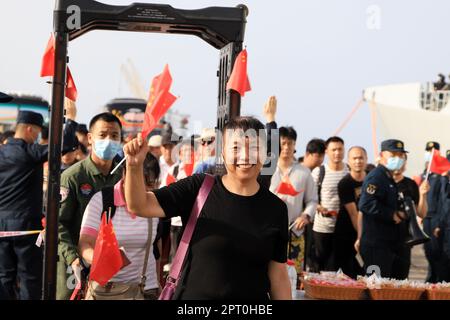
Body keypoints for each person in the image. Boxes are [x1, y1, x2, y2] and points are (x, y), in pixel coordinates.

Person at [124, 116, 291, 300]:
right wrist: (133, 166)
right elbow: (139, 205)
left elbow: (279, 276)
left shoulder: (276, 209)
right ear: (222, 153)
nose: (245, 156)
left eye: (254, 148)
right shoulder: (199, 188)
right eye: (235, 148)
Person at [0, 106, 78, 300]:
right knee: (30, 278)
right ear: (29, 129)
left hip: (1, 226)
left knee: (4, 277)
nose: (37, 136)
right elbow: (66, 145)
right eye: (37, 131)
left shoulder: (1, 153)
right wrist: (71, 120)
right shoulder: (29, 152)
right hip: (26, 227)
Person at [57, 112, 123, 300]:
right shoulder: (72, 177)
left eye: (114, 136)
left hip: (115, 265)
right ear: (90, 138)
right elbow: (58, 223)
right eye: (103, 135)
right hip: (75, 266)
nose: (109, 140)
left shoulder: (125, 177)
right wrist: (73, 258)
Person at [79, 153, 161, 299]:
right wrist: (102, 258)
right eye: (144, 183)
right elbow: (85, 243)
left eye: (152, 184)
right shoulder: (102, 201)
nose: (148, 190)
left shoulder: (154, 203)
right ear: (125, 174)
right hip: (109, 290)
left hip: (146, 289)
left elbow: (156, 247)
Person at [359, 139, 411, 278]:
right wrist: (391, 214)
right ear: (382, 155)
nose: (398, 158)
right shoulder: (377, 177)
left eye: (400, 155)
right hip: (376, 245)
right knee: (375, 287)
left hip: (388, 244)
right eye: (393, 154)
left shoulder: (388, 177)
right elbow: (365, 204)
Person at [270, 126, 318, 276]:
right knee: (269, 274)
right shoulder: (267, 170)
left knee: (293, 275)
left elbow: (312, 200)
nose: (286, 147)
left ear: (295, 145)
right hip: (270, 231)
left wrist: (305, 216)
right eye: (283, 143)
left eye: (290, 143)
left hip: (295, 233)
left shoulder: (304, 172)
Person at [311, 136, 348, 271]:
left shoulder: (348, 171)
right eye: (334, 150)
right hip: (322, 227)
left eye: (340, 149)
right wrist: (318, 207)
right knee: (320, 265)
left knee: (340, 265)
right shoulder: (319, 172)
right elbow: (309, 198)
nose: (337, 153)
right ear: (327, 151)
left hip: (343, 227)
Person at [391, 155, 429, 279]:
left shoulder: (410, 184)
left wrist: (423, 195)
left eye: (402, 160)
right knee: (378, 280)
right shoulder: (382, 182)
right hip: (382, 240)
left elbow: (421, 213)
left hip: (404, 241)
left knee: (401, 280)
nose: (399, 163)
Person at [334, 146, 367, 278]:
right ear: (348, 161)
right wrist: (361, 237)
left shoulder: (372, 180)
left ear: (366, 159)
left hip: (365, 233)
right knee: (345, 273)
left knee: (364, 273)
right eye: (354, 158)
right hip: (346, 233)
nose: (358, 161)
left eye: (361, 158)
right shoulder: (345, 183)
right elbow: (354, 213)